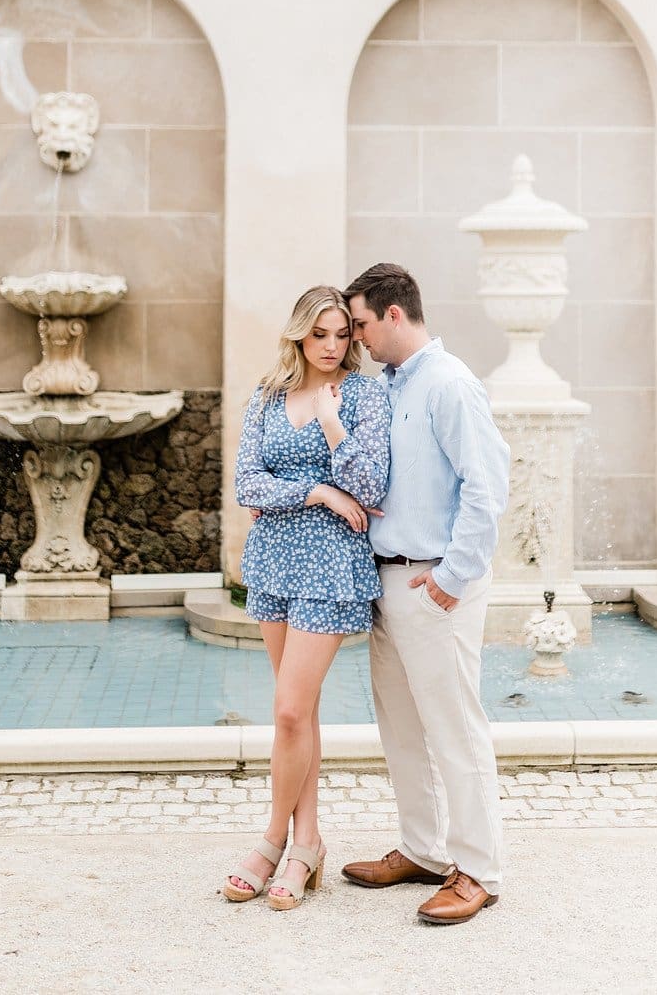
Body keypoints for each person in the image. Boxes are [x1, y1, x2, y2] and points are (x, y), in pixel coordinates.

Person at [340, 263, 509, 926]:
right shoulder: (386, 386)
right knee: (402, 728)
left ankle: (480, 870)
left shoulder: (450, 382)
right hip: (387, 582)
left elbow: (486, 486)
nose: (356, 337)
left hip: (435, 581)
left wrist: (449, 577)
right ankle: (422, 848)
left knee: (455, 728)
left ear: (392, 313)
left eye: (359, 323)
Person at [222, 285, 390, 911]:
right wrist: (318, 492)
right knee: (303, 714)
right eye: (320, 334)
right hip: (273, 560)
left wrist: (329, 421)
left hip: (329, 564)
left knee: (290, 711)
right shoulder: (266, 395)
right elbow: (248, 482)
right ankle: (308, 843)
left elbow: (370, 483)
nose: (332, 346)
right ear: (298, 334)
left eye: (343, 334)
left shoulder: (364, 394)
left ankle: (271, 840)